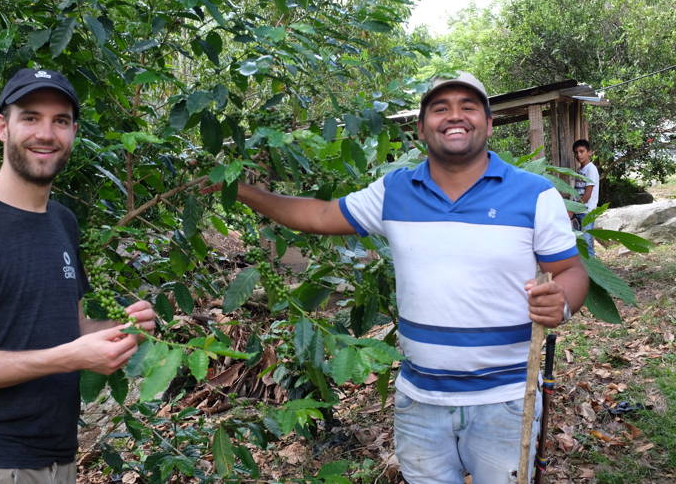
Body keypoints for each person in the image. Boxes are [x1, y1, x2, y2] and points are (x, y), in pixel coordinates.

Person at [204, 72, 588, 483]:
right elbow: (317, 216)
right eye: (440, 109)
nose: (454, 117)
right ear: (421, 128)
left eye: (468, 107)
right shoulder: (394, 191)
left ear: (488, 123)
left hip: (507, 399)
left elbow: (571, 271)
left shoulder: (533, 193)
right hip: (419, 402)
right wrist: (239, 189)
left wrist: (561, 301)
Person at [0, 68, 156, 484]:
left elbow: (71, 325)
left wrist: (127, 328)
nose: (46, 133)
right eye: (30, 117)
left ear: (73, 133)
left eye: (60, 121)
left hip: (59, 458)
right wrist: (73, 356)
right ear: (1, 127)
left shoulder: (62, 221)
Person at [572, 139, 600, 256]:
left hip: (587, 211)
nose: (578, 155)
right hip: (580, 210)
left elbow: (587, 195)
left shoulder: (591, 169)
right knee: (581, 243)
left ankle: (593, 273)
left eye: (581, 151)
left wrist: (573, 209)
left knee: (587, 243)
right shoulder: (580, 170)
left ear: (589, 152)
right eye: (576, 152)